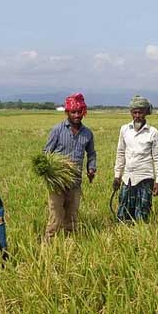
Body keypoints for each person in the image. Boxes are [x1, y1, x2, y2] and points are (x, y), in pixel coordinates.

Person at [43, 93, 96, 239]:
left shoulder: (87, 134)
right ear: (67, 112)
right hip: (57, 183)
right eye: (73, 112)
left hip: (75, 182)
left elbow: (91, 154)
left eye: (79, 112)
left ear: (83, 112)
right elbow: (46, 153)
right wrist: (49, 171)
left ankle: (69, 245)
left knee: (72, 218)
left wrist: (91, 168)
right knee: (56, 216)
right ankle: (48, 247)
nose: (77, 115)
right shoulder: (57, 130)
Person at [112, 95, 158, 222]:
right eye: (134, 112)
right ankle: (124, 235)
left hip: (145, 177)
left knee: (142, 212)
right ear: (131, 113)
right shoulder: (125, 130)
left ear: (146, 112)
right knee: (124, 210)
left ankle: (141, 236)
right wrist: (117, 176)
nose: (137, 115)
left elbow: (157, 158)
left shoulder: (153, 132)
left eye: (140, 112)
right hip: (127, 177)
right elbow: (120, 153)